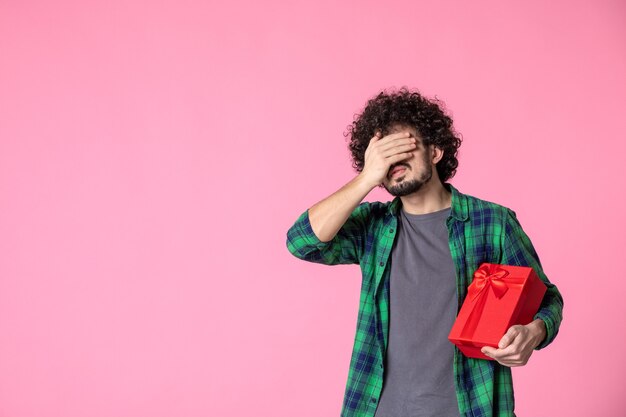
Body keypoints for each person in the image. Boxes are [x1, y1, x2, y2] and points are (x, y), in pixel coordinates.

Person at [285, 87, 563, 417]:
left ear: (435, 152)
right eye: (382, 154)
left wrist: (533, 332)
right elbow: (301, 242)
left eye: (401, 146)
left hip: (472, 407)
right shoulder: (373, 226)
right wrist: (365, 179)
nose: (392, 161)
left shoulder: (492, 222)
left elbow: (547, 300)